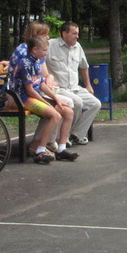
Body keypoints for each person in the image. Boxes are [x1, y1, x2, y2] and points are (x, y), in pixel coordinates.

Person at [12, 35, 77, 163]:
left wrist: (56, 98)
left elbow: (41, 84)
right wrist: (47, 103)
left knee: (68, 112)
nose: (46, 53)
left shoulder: (37, 62)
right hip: (24, 98)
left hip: (35, 96)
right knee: (55, 116)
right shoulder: (25, 63)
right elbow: (30, 90)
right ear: (35, 50)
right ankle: (40, 151)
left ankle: (61, 150)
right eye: (44, 50)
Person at [46, 22, 102, 146]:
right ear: (64, 33)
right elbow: (38, 62)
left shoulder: (78, 47)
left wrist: (88, 85)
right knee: (77, 102)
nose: (77, 36)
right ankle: (64, 137)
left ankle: (76, 134)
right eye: (74, 33)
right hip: (59, 89)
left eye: (78, 33)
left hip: (75, 88)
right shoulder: (51, 45)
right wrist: (47, 79)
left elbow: (84, 66)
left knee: (95, 104)